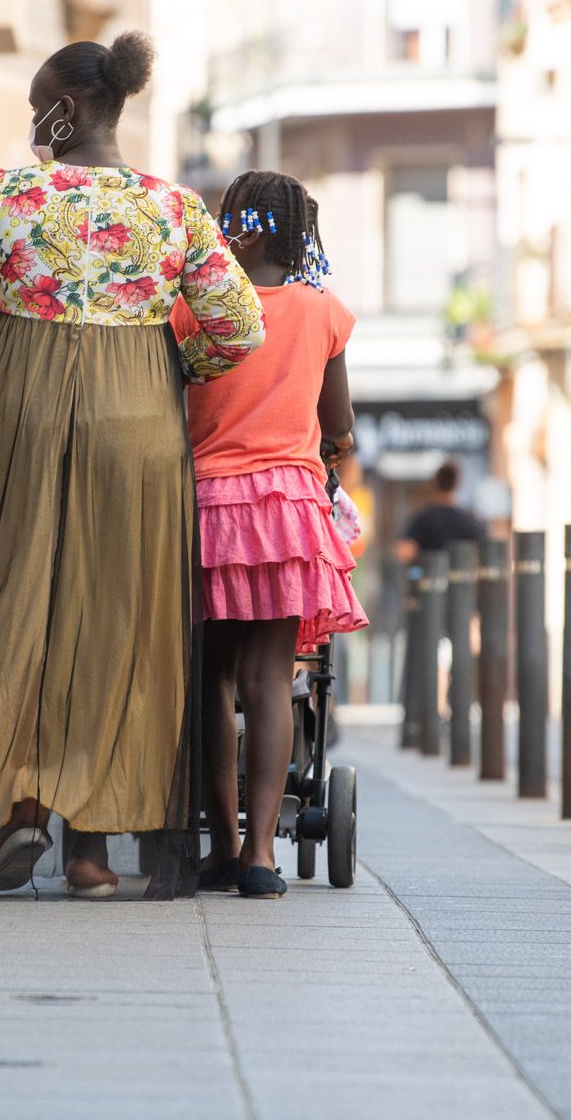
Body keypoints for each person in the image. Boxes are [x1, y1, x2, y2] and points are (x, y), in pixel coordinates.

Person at [0, 31, 264, 899]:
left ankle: (21, 812)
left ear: (69, 109)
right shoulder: (174, 208)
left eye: (35, 103)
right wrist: (169, 372)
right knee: (123, 619)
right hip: (139, 419)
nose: (31, 121)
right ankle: (91, 852)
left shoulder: (10, 194)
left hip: (23, 404)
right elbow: (240, 327)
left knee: (13, 604)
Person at [170, 171, 365, 899]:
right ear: (299, 233)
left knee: (209, 681)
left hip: (205, 508)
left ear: (232, 226)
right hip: (285, 505)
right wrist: (328, 444)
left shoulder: (195, 309)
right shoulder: (323, 313)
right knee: (269, 680)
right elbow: (338, 426)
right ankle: (260, 856)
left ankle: (218, 845)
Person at [397, 461, 484, 564]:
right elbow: (482, 553)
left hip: (430, 576)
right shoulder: (468, 520)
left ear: (434, 483)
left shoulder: (422, 519)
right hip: (462, 577)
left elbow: (404, 553)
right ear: (457, 483)